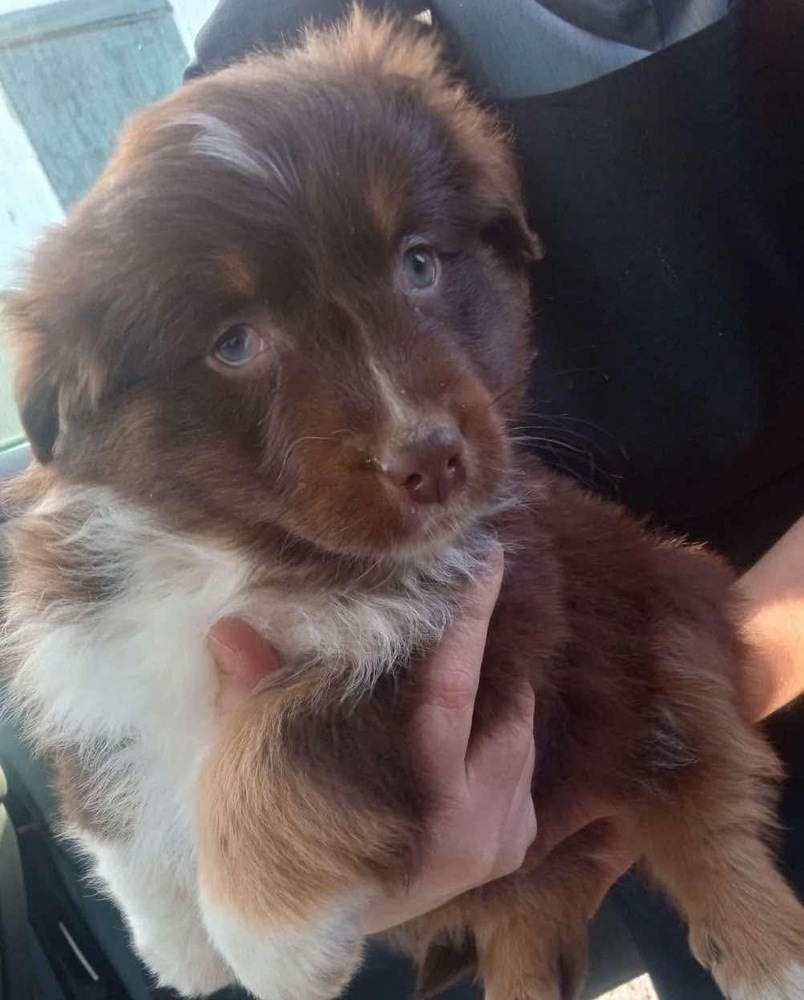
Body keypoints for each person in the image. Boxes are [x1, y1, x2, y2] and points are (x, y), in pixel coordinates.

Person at [189, 2, 804, 996]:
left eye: (420, 265)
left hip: (653, 683)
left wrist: (681, 715)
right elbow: (168, 379)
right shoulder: (297, 38)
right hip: (539, 678)